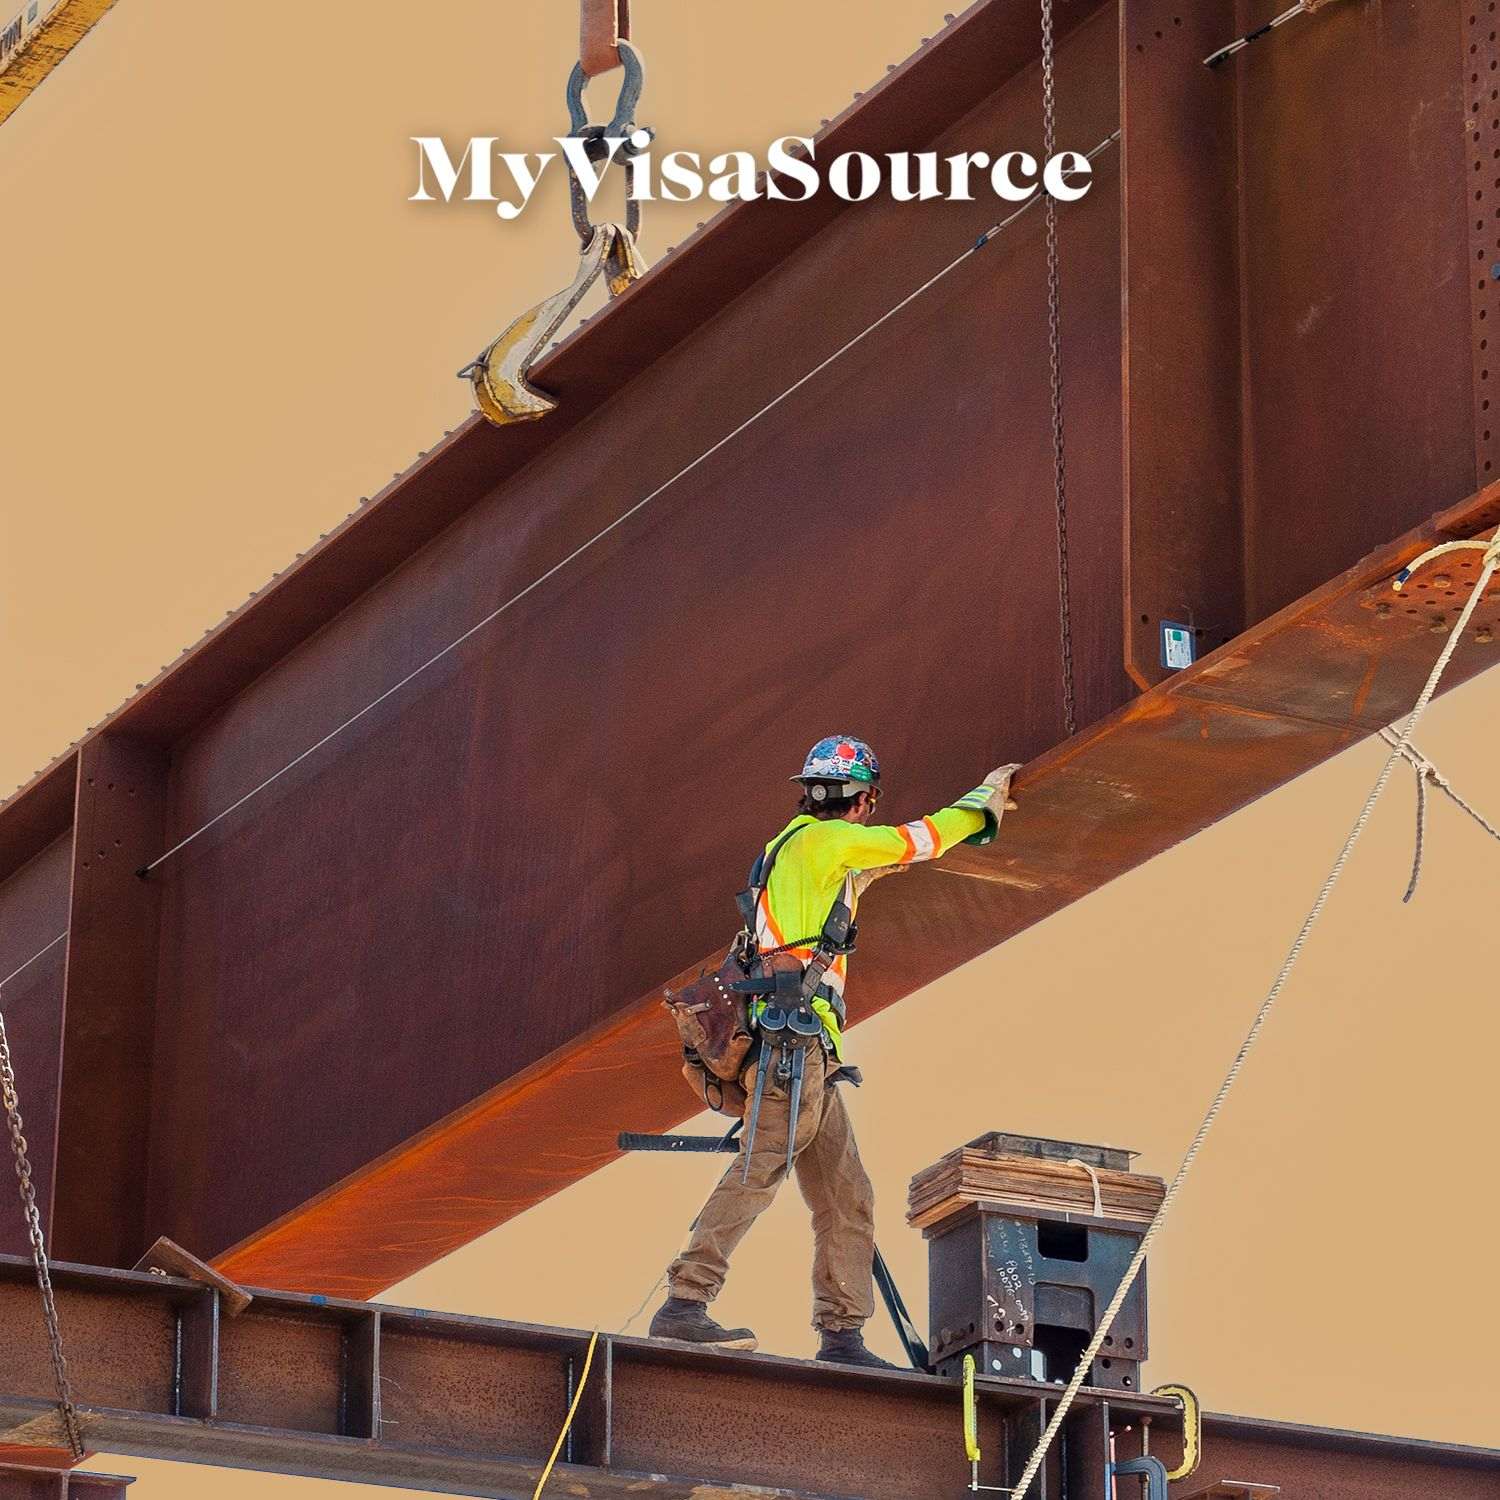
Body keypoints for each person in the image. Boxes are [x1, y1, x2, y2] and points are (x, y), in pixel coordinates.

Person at [649, 735, 1021, 1367]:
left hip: (807, 1052)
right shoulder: (829, 842)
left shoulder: (791, 848)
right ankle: (685, 1302)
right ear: (863, 800)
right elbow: (918, 840)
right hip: (794, 1051)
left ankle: (843, 1336)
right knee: (758, 1166)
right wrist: (985, 800)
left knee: (847, 1195)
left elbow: (858, 878)